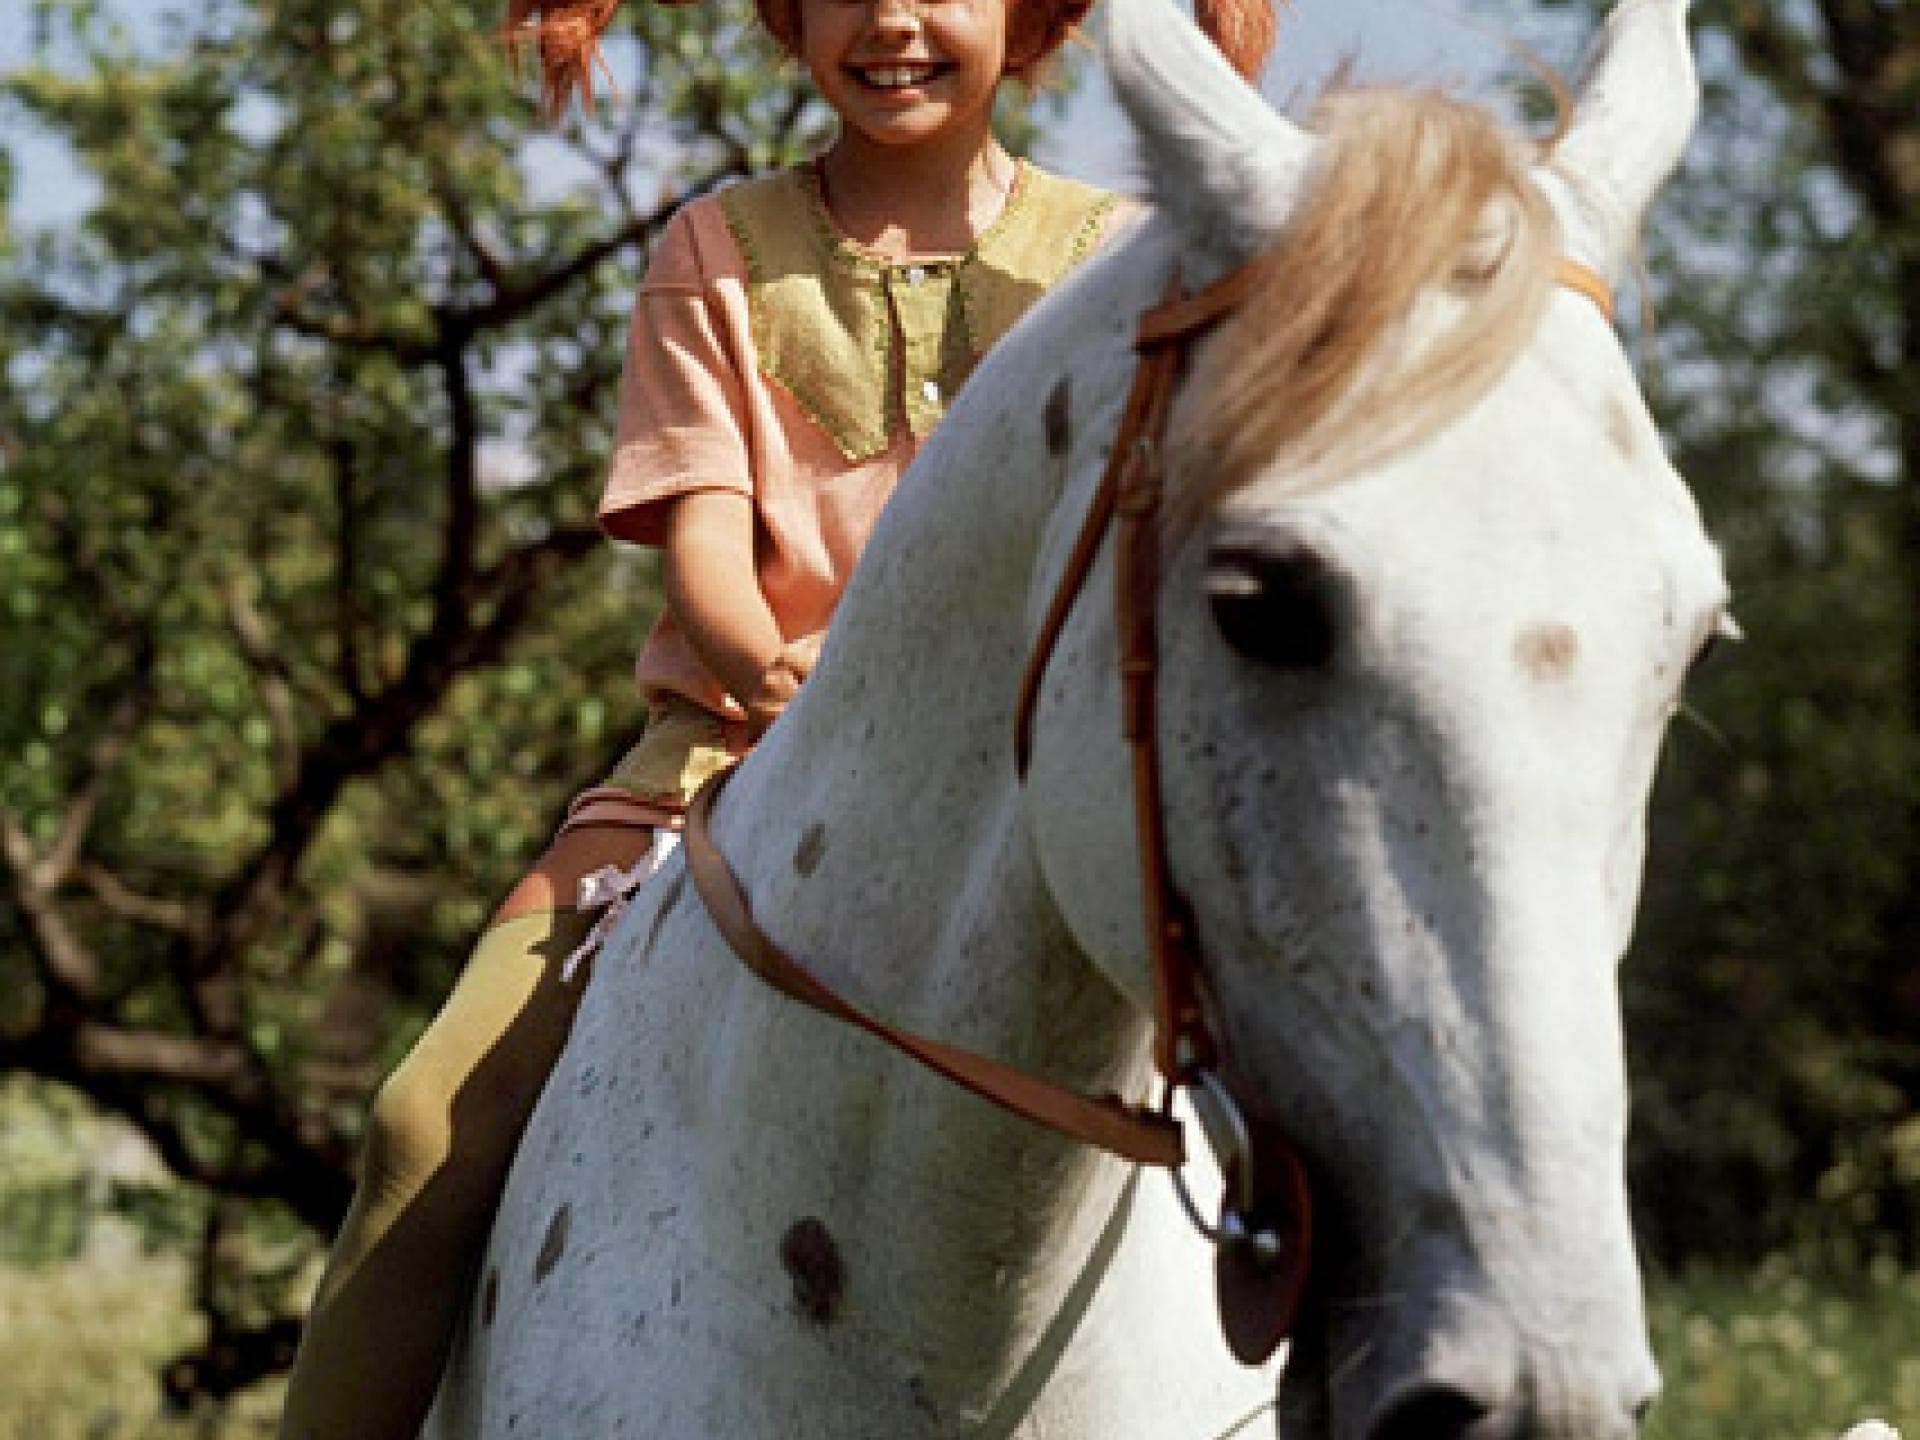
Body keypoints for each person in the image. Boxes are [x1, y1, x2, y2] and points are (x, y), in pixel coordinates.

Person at [275, 0, 1138, 1435]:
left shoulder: (1114, 260)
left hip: (1023, 789)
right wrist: (786, 679)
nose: (896, 21)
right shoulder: (714, 249)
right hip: (727, 757)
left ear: (1031, 11)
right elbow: (712, 568)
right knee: (419, 1126)